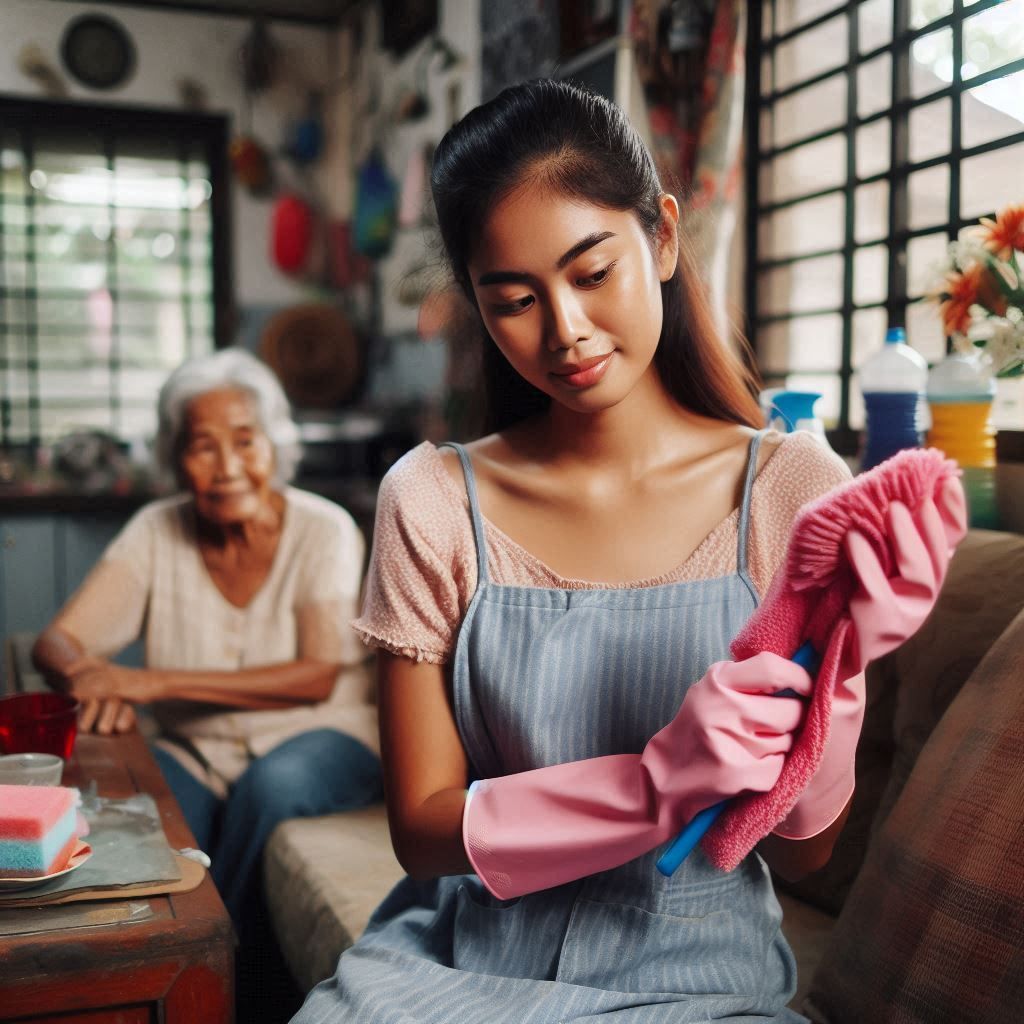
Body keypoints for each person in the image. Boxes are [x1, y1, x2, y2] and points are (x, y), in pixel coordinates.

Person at [292, 80, 964, 1024]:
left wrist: (843, 667)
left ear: (662, 238)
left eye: (592, 272)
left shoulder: (787, 488)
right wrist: (652, 784)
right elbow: (423, 829)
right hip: (463, 965)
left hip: (700, 983)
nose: (564, 330)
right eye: (516, 299)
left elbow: (805, 852)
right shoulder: (435, 498)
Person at [32, 347, 383, 1018]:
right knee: (145, 822)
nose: (226, 468)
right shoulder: (157, 530)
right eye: (201, 447)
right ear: (175, 455)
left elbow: (314, 677)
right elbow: (59, 639)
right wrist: (91, 677)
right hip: (195, 745)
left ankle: (234, 990)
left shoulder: (323, 530)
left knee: (272, 787)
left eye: (245, 441)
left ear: (275, 444)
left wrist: (146, 683)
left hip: (323, 732)